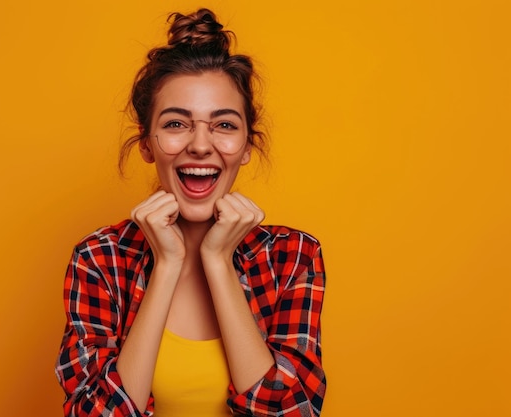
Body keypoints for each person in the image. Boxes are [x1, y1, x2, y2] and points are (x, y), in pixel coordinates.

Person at [55, 8, 326, 417]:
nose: (200, 145)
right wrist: (167, 263)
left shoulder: (292, 257)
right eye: (177, 124)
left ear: (248, 146)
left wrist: (216, 261)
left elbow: (292, 413)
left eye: (224, 125)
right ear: (147, 143)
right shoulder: (100, 258)